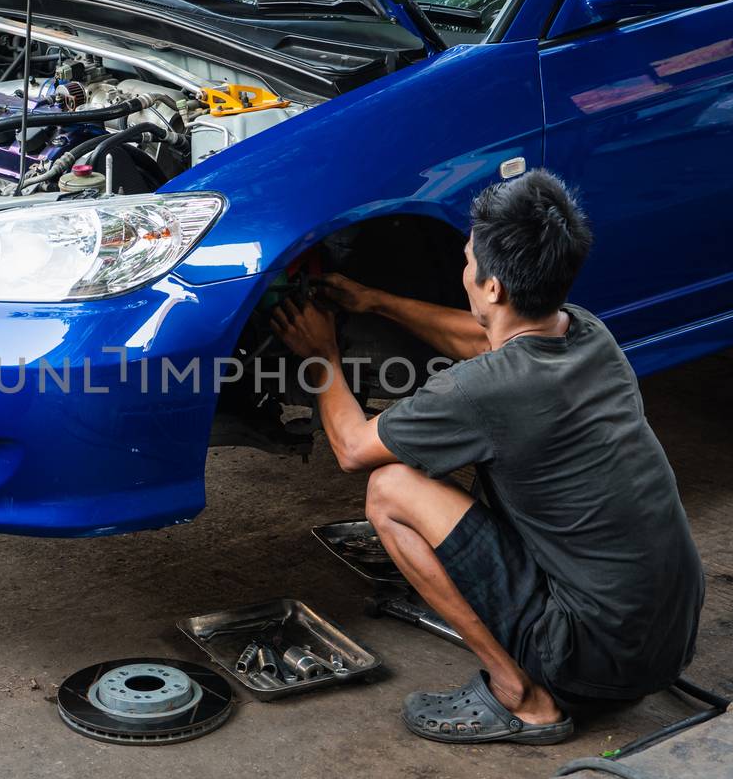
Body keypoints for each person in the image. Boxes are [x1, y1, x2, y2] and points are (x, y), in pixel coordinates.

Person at [271, 170, 704, 745]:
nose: (464, 269)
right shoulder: (587, 333)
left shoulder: (485, 391)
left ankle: (522, 697)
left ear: (493, 287)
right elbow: (482, 340)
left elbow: (353, 449)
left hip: (590, 660)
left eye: (469, 258)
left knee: (390, 488)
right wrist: (374, 301)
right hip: (666, 640)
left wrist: (320, 355)